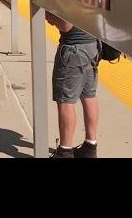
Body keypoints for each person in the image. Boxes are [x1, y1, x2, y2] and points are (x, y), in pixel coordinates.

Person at [45, 11, 99, 158]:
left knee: (65, 101)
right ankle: (90, 147)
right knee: (89, 96)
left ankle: (65, 151)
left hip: (73, 50)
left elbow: (65, 25)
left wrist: (48, 15)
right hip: (92, 46)